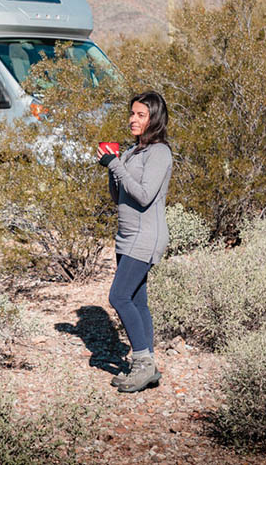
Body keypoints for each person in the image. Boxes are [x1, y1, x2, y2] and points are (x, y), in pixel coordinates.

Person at [97, 91, 173, 393]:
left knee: (119, 297)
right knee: (138, 300)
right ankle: (148, 364)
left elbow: (143, 195)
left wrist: (116, 165)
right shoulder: (132, 152)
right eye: (132, 113)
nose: (133, 119)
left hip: (146, 237)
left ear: (154, 118)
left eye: (141, 114)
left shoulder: (159, 153)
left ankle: (141, 361)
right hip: (126, 237)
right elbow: (119, 197)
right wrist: (111, 166)